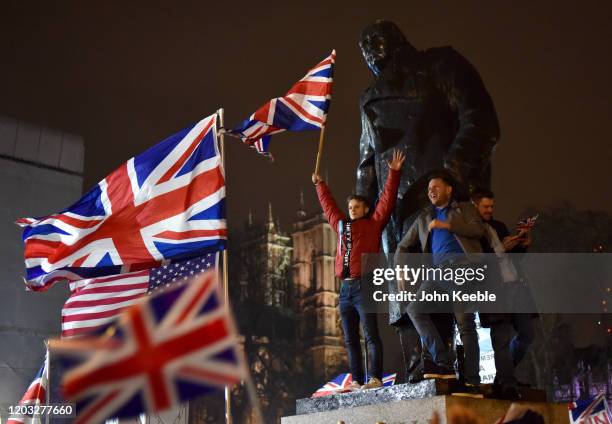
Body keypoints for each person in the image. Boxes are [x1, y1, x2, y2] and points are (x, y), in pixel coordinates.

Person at [355, 19, 500, 381]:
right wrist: (360, 222)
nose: (374, 49)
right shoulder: (370, 97)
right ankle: (423, 367)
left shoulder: (442, 66)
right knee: (408, 301)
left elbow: (481, 121)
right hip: (396, 213)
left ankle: (460, 372)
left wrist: (450, 175)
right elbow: (367, 163)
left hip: (441, 203)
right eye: (368, 46)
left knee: (457, 304)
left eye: (378, 42)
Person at [313, 150, 406, 390]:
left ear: (365, 209)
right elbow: (329, 208)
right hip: (345, 289)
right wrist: (320, 185)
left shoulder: (373, 224)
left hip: (364, 285)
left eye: (357, 206)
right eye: (351, 207)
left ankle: (374, 378)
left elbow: (386, 201)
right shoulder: (342, 226)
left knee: (371, 334)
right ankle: (356, 380)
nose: (352, 209)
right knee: (350, 339)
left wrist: (394, 172)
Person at [395, 173, 486, 397]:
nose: (431, 191)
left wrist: (447, 225)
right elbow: (402, 247)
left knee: (465, 324)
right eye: (429, 189)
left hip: (463, 268)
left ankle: (472, 383)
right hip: (437, 274)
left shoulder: (465, 209)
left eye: (436, 186)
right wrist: (401, 271)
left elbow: (478, 231)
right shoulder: (425, 217)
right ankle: (444, 362)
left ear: (449, 190)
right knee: (415, 309)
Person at [472, 189, 536, 396]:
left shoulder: (498, 226)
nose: (490, 210)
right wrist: (501, 249)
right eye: (486, 207)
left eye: (492, 206)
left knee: (527, 333)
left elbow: (514, 257)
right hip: (494, 290)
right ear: (475, 206)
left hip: (516, 286)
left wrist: (522, 245)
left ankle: (504, 375)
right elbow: (476, 262)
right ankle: (507, 381)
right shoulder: (470, 231)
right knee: (500, 338)